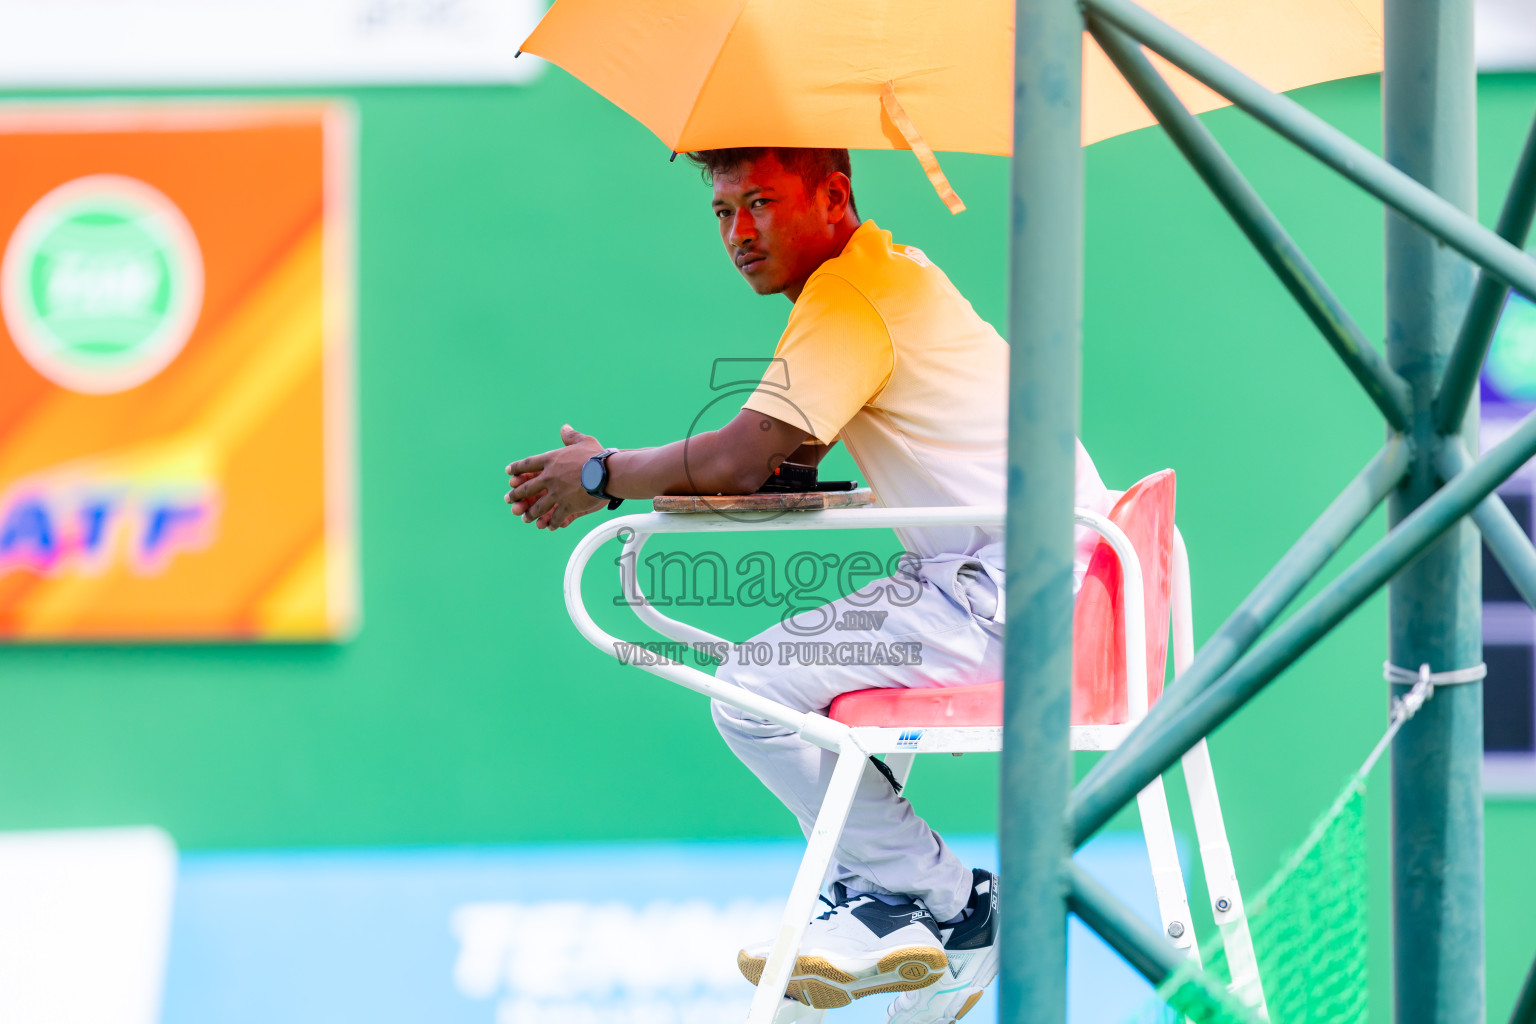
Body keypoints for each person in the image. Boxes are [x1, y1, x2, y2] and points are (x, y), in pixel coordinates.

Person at [505, 147, 1111, 1022]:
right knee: (809, 696)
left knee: (753, 692)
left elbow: (738, 460)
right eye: (722, 212)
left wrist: (601, 475)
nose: (739, 232)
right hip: (1046, 585)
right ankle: (885, 898)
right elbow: (775, 467)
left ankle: (943, 901)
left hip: (1016, 596)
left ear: (834, 197)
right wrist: (670, 478)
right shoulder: (883, 274)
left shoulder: (847, 299)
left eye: (760, 203)